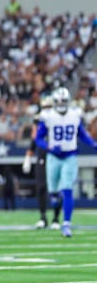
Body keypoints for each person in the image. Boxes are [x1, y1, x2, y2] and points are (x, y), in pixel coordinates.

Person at [34, 87, 97, 238]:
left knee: (67, 189)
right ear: (54, 102)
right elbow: (38, 139)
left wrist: (93, 144)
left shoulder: (74, 115)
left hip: (70, 156)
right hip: (53, 157)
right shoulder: (48, 116)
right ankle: (56, 200)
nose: (62, 103)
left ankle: (66, 224)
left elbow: (82, 134)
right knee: (53, 194)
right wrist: (49, 147)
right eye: (59, 101)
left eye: (64, 101)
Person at [22, 96, 53, 228]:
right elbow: (35, 138)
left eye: (49, 107)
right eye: (45, 107)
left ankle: (56, 218)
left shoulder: (60, 119)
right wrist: (28, 157)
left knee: (57, 188)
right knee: (41, 187)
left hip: (57, 155)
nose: (46, 110)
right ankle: (43, 216)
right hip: (42, 155)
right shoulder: (38, 119)